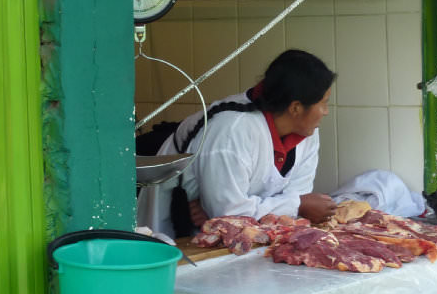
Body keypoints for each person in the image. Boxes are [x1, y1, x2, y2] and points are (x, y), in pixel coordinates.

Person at [136, 49, 338, 239]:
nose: (326, 111)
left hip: (244, 233)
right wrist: (296, 205)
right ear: (295, 108)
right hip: (179, 222)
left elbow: (295, 206)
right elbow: (230, 216)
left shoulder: (307, 133)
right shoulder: (232, 130)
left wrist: (294, 205)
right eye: (324, 102)